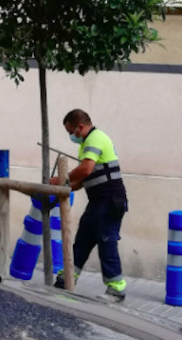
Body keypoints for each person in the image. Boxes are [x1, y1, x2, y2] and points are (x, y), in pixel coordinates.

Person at [50, 108, 128, 302]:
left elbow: (85, 169)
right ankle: (65, 280)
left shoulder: (96, 139)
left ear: (80, 127)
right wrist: (62, 186)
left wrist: (61, 178)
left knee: (106, 242)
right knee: (82, 240)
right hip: (97, 201)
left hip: (110, 201)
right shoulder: (86, 143)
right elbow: (82, 181)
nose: (70, 136)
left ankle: (116, 289)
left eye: (71, 132)